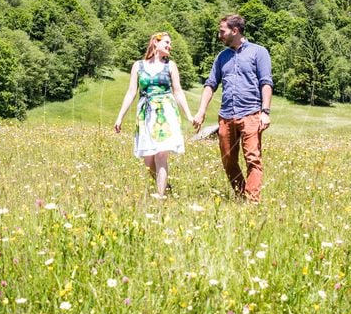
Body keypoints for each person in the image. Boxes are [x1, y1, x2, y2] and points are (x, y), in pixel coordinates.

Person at [192, 14, 273, 203]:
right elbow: (210, 84)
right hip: (226, 116)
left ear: (234, 31)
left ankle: (252, 202)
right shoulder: (222, 57)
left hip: (251, 114)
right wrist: (201, 111)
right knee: (228, 160)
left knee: (253, 158)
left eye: (222, 31)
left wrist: (265, 112)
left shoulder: (258, 52)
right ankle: (241, 195)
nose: (219, 35)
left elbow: (266, 82)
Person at [115, 31, 194, 198]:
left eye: (170, 43)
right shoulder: (138, 65)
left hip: (166, 112)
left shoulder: (170, 65)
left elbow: (178, 91)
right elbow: (131, 92)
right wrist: (120, 116)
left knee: (161, 154)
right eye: (166, 42)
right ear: (155, 43)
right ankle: (165, 187)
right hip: (146, 113)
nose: (169, 46)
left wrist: (189, 115)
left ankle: (160, 196)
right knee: (148, 160)